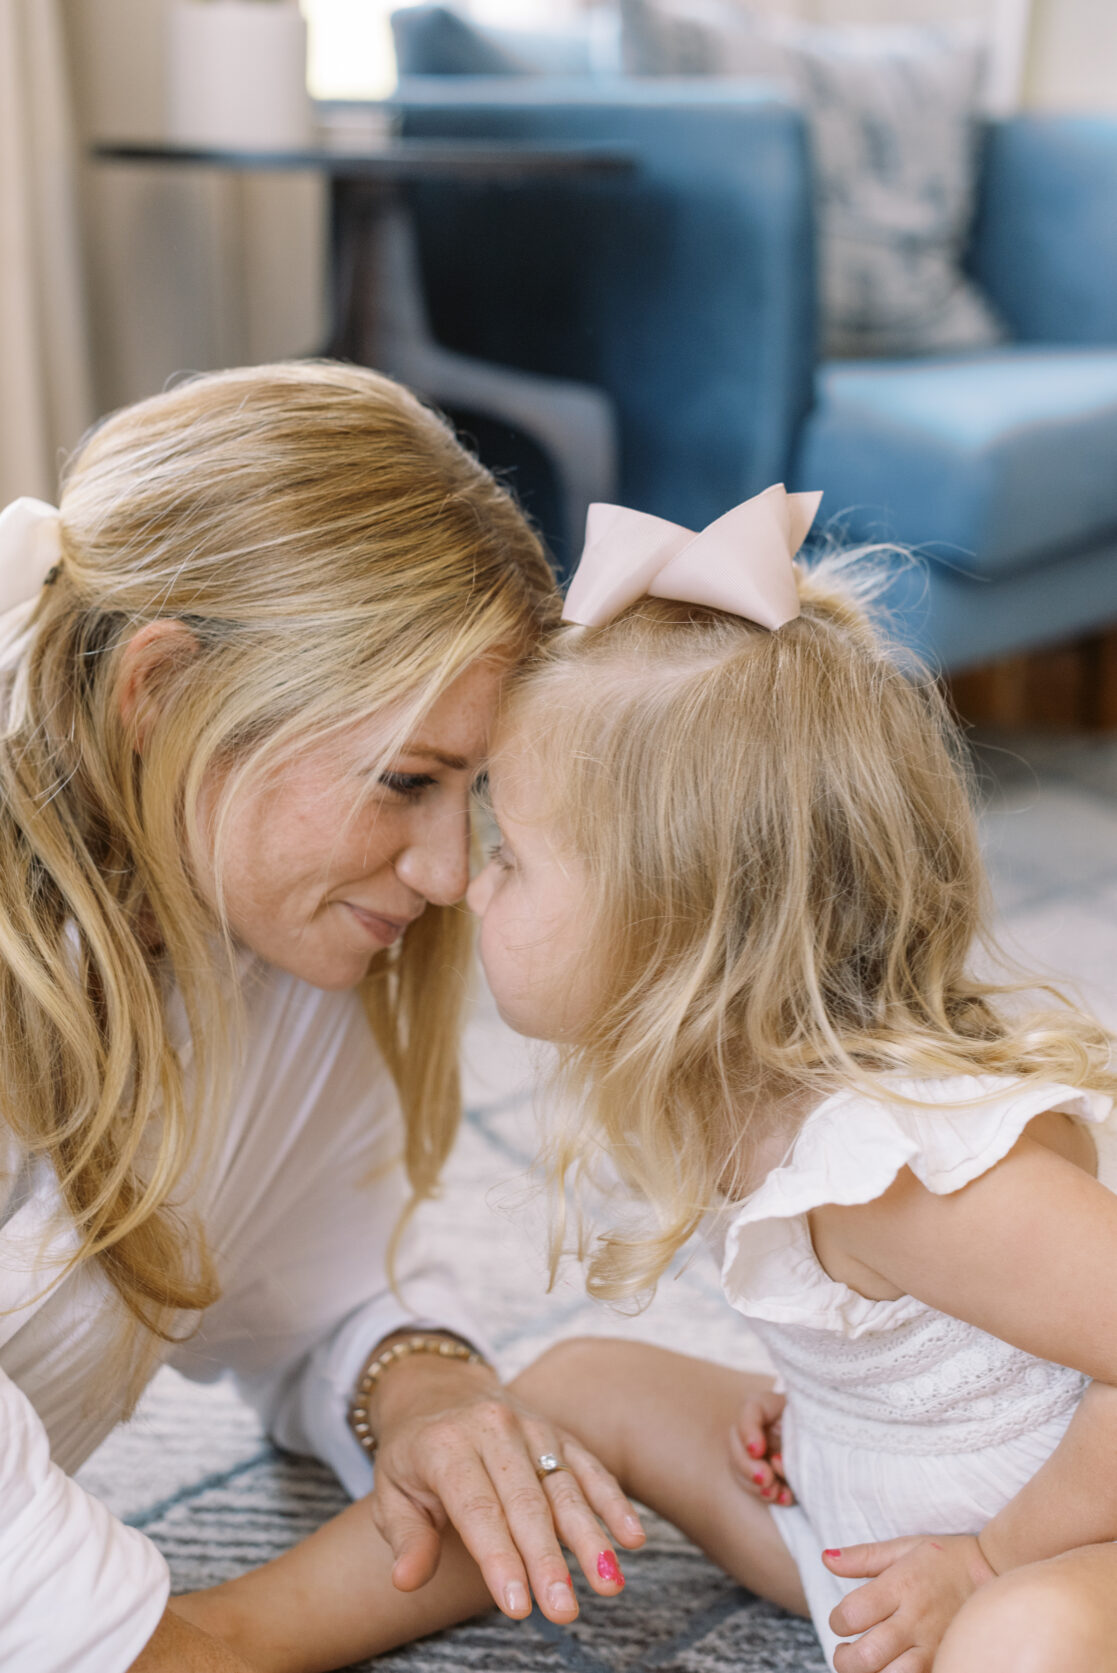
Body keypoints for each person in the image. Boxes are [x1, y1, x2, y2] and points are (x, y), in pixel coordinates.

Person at [0, 361, 643, 1673]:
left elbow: (307, 1290)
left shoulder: (263, 929)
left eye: (469, 798)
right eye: (406, 780)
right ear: (162, 693)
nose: (450, 874)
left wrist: (429, 1388)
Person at [458, 485, 1117, 1673]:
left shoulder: (902, 1168)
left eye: (510, 850)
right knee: (566, 1388)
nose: (469, 883)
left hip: (1055, 1537)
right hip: (870, 1535)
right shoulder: (744, 1091)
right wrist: (818, 1405)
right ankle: (235, 1632)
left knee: (1021, 1639)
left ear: (680, 928)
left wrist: (991, 1558)